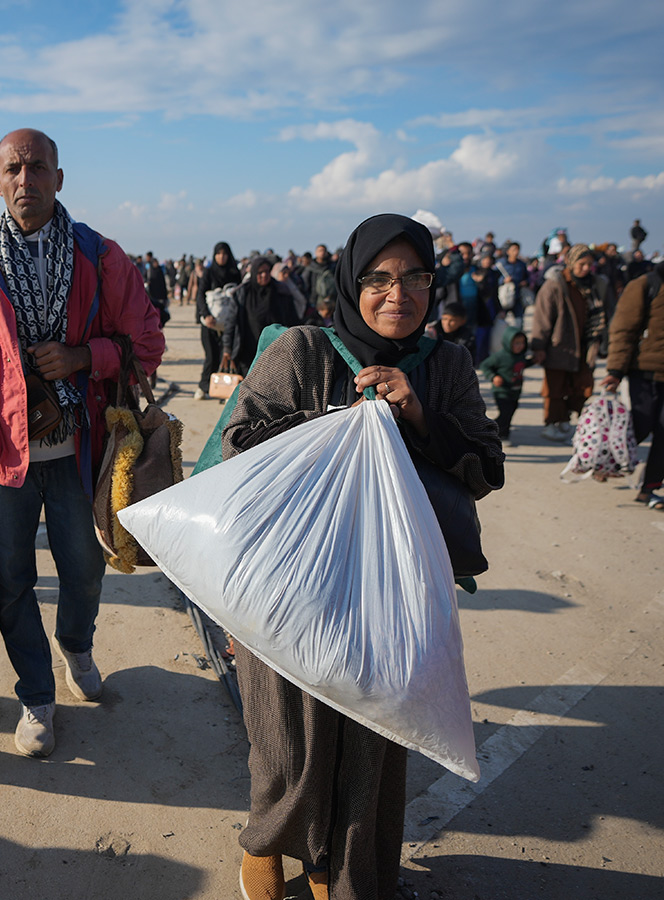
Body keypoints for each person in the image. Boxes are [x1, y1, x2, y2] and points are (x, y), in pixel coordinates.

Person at [223, 213, 503, 900]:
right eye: (377, 278)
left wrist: (418, 419)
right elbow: (237, 443)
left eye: (413, 277)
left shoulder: (447, 364)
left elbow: (485, 469)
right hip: (295, 581)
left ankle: (340, 871)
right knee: (289, 737)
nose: (395, 293)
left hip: (391, 592)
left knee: (371, 741)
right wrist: (329, 426)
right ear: (350, 283)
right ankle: (268, 842)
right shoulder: (301, 349)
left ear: (432, 284)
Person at [0, 127, 164, 758]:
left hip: (78, 453)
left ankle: (77, 645)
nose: (25, 180)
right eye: (13, 168)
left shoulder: (100, 255)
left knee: (84, 571)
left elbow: (146, 344)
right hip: (0, 458)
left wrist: (81, 357)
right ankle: (36, 695)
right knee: (11, 579)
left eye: (38, 168)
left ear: (60, 178)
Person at [530, 245, 611, 442]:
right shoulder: (555, 284)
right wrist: (538, 347)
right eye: (581, 264)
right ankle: (552, 423)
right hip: (559, 345)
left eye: (589, 265)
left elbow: (609, 314)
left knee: (583, 385)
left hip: (586, 346)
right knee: (555, 387)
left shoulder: (598, 285)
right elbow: (542, 317)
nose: (585, 268)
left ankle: (566, 419)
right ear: (570, 263)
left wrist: (605, 343)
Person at [601, 261, 664, 507]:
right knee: (642, 423)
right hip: (644, 370)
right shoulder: (646, 285)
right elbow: (623, 329)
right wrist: (615, 370)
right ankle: (605, 460)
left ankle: (649, 488)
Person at [221, 256, 301, 377]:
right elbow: (231, 322)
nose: (264, 275)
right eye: (260, 273)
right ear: (253, 273)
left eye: (267, 272)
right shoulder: (242, 293)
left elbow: (292, 319)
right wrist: (227, 347)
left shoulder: (281, 291)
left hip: (275, 350)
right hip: (247, 350)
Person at [195, 241, 240, 399]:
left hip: (228, 323)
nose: (222, 257)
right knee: (211, 356)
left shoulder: (234, 273)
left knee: (227, 355)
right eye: (219, 254)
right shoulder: (209, 273)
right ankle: (204, 386)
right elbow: (200, 295)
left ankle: (225, 389)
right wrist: (205, 314)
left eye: (225, 254)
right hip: (210, 323)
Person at [480, 328, 530, 442]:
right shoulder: (500, 356)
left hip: (515, 391)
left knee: (511, 412)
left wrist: (534, 361)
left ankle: (504, 433)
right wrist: (493, 377)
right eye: (516, 343)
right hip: (502, 391)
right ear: (508, 342)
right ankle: (490, 429)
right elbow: (485, 365)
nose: (520, 346)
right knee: (505, 413)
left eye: (522, 342)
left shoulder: (520, 355)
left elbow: (521, 365)